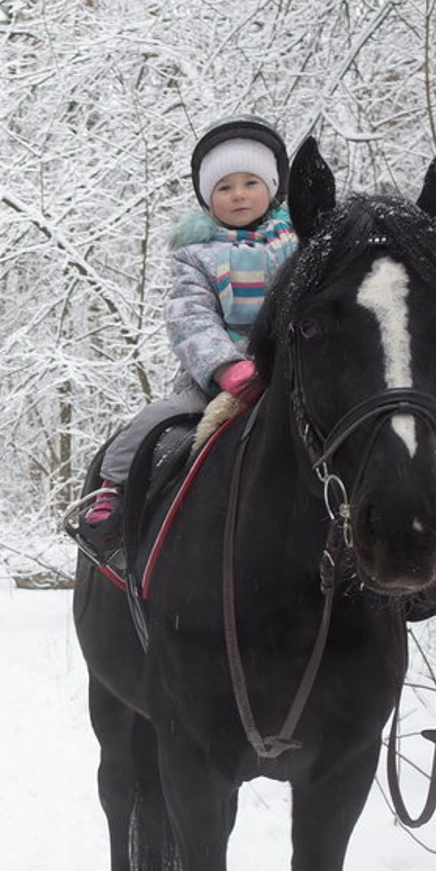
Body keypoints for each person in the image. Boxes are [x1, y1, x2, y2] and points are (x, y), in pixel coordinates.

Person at [69, 115, 296, 570]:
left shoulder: (298, 245)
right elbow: (189, 318)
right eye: (225, 187)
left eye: (250, 182)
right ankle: (113, 492)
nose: (238, 195)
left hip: (297, 373)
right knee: (158, 419)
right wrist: (225, 366)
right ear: (209, 199)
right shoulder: (196, 256)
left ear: (271, 189)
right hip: (217, 378)